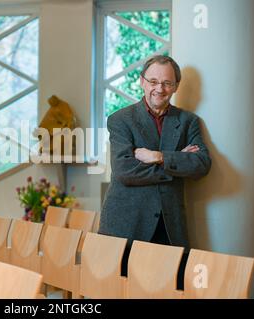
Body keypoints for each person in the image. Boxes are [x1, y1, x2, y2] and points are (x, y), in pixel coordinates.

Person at [99, 55, 211, 288]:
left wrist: (158, 157)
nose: (159, 88)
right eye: (153, 81)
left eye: (167, 83)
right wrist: (178, 164)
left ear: (176, 86)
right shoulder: (120, 120)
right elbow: (124, 171)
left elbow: (201, 165)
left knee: (171, 291)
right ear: (142, 82)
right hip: (125, 225)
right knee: (119, 292)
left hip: (170, 228)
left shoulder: (189, 121)